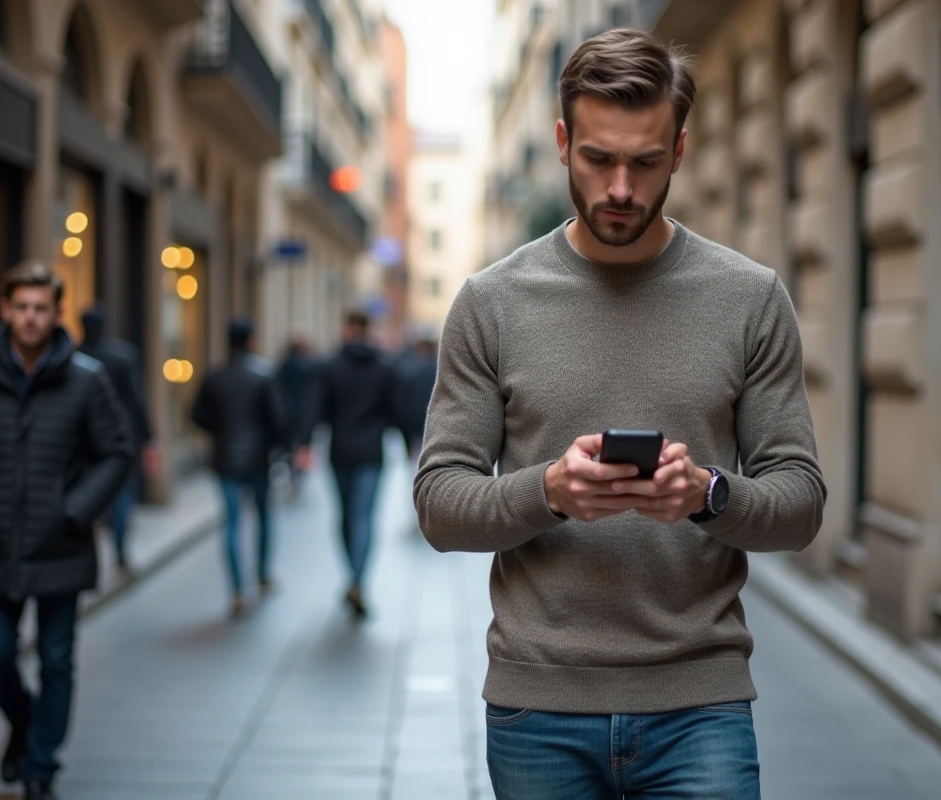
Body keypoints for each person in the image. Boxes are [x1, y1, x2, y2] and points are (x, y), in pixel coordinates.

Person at [414, 29, 826, 800]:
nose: (621, 190)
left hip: (700, 705)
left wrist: (708, 495)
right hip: (539, 705)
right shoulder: (491, 303)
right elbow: (440, 506)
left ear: (678, 150)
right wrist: (550, 491)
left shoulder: (750, 298)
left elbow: (800, 504)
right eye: (599, 159)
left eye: (644, 161)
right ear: (563, 142)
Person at [0, 261, 134, 800]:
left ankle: (41, 764)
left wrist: (75, 509)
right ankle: (24, 723)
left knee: (57, 659)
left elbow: (116, 453)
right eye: (21, 307)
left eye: (41, 308)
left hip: (59, 545)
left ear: (57, 313)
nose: (31, 318)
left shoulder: (87, 379)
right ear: (5, 310)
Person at [297, 311, 396, 618]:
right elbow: (396, 409)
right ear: (367, 329)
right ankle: (358, 580)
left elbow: (314, 407)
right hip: (370, 454)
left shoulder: (329, 366)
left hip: (340, 452)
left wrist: (303, 443)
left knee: (345, 517)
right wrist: (409, 442)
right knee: (364, 517)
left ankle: (352, 578)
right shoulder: (383, 368)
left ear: (346, 329)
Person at [191, 318, 290, 617]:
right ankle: (262, 576)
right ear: (251, 340)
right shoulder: (263, 374)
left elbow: (196, 414)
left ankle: (236, 590)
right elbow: (278, 419)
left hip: (225, 460)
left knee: (232, 523)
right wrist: (279, 447)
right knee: (263, 518)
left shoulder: (215, 376)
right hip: (258, 459)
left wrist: (219, 432)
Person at [78, 304, 158, 572]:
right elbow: (137, 401)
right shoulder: (122, 356)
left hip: (85, 438)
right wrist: (148, 438)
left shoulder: (76, 356)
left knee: (89, 494)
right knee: (123, 494)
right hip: (120, 436)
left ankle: (92, 551)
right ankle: (120, 550)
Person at [275, 333, 316, 497]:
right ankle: (297, 475)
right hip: (303, 414)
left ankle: (292, 472)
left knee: (288, 447)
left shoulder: (283, 366)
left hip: (286, 413)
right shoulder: (308, 367)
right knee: (301, 446)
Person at [392, 337, 438, 462]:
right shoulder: (440, 371)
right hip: (436, 424)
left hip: (416, 424)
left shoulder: (408, 371)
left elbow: (404, 404)